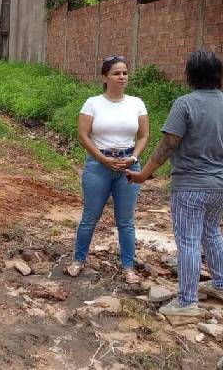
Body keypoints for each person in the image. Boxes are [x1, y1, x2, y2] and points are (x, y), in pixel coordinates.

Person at [127, 50, 223, 316]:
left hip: (191, 184)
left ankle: (187, 301)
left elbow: (169, 143)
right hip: (222, 181)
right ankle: (222, 285)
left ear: (190, 74)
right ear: (218, 74)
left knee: (188, 241)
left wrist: (144, 174)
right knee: (212, 232)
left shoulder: (185, 103)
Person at [65, 56, 149, 283]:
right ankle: (78, 260)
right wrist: (102, 158)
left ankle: (128, 267)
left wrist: (133, 158)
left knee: (126, 220)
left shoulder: (136, 103)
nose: (122, 77)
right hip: (98, 165)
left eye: (125, 73)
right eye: (116, 73)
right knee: (90, 217)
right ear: (105, 77)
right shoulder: (93, 103)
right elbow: (83, 135)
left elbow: (143, 136)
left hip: (128, 166)